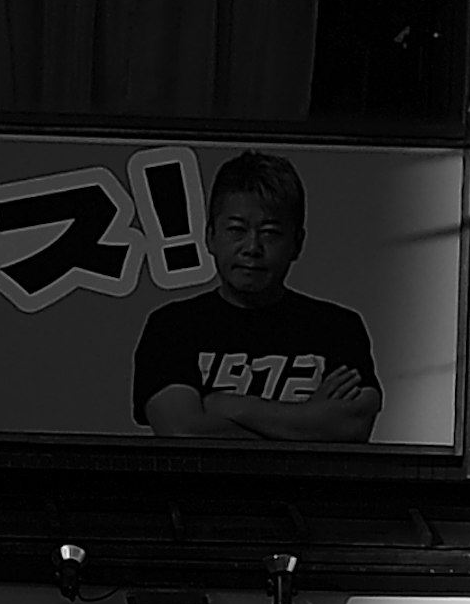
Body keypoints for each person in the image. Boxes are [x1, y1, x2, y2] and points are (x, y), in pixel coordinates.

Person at [132, 148, 383, 443]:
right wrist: (307, 419)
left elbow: (351, 427)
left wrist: (228, 405)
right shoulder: (172, 326)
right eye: (236, 230)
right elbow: (183, 431)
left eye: (270, 232)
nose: (252, 247)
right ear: (210, 236)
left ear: (297, 243)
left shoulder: (337, 328)